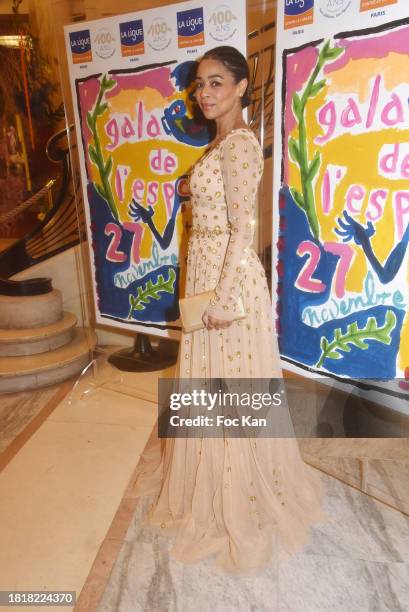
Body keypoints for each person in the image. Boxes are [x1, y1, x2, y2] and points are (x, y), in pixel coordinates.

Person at [134, 45, 325, 573]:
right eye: (200, 84)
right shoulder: (220, 143)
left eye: (217, 82)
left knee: (232, 384)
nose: (206, 93)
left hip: (230, 282)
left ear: (242, 87)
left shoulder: (240, 143)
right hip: (209, 270)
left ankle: (242, 487)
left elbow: (246, 228)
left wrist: (221, 300)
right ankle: (214, 476)